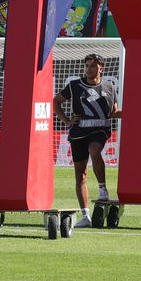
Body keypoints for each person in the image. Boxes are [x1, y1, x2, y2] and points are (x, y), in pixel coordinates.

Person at [53, 52, 120, 228]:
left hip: (100, 129)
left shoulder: (109, 86)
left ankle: (102, 189)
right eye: (87, 66)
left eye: (93, 66)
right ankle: (85, 216)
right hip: (78, 132)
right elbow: (56, 101)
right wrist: (66, 120)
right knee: (80, 175)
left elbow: (114, 112)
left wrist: (136, 111)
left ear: (101, 68)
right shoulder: (74, 85)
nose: (89, 69)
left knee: (94, 150)